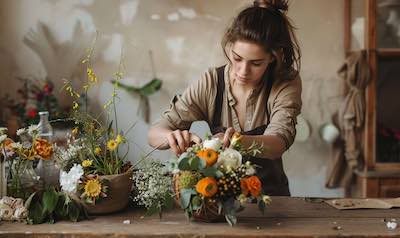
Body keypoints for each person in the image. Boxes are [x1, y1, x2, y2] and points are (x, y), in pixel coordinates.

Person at [148, 0, 302, 196]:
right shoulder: (212, 82)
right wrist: (172, 137)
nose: (243, 71)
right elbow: (154, 133)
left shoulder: (285, 82)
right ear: (229, 47)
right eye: (237, 58)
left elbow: (278, 143)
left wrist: (236, 141)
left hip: (270, 199)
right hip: (219, 200)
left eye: (256, 63)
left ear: (273, 57)